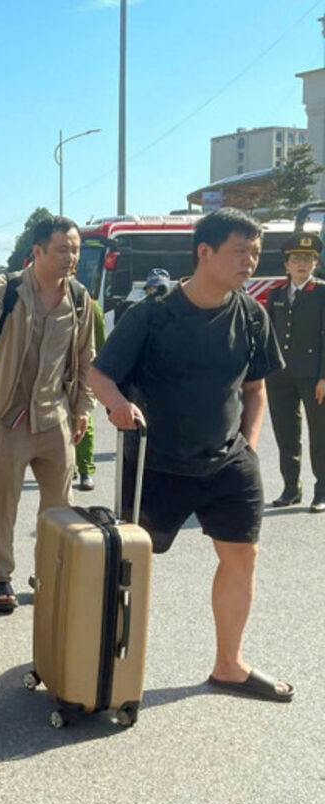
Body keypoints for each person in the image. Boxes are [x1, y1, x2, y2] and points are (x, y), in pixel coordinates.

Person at [88, 207, 294, 703]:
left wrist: (250, 445)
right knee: (131, 564)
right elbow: (100, 374)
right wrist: (117, 405)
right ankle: (102, 665)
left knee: (241, 557)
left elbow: (255, 388)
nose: (250, 262)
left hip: (229, 463)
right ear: (205, 252)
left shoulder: (251, 314)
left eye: (255, 253)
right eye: (240, 252)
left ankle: (229, 666)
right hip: (158, 464)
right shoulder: (153, 314)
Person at [0, 216, 95, 613]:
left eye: (75, 249)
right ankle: (0, 576)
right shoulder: (8, 290)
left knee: (59, 507)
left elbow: (86, 357)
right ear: (38, 251)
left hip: (54, 418)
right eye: (63, 249)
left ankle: (48, 572)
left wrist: (82, 407)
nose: (71, 257)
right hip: (8, 418)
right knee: (3, 505)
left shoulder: (79, 297)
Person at [264, 232, 325, 511]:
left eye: (307, 259)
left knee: (320, 436)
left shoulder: (321, 292)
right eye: (296, 259)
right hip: (280, 375)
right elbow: (269, 335)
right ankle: (291, 488)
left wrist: (324, 376)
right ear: (286, 264)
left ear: (315, 263)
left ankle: (322, 491)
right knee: (286, 434)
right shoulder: (276, 293)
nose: (302, 264)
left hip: (314, 375)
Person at [73, 300, 106, 491]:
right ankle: (68, 464)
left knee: (84, 419)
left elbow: (100, 342)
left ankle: (85, 470)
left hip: (84, 368)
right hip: (54, 372)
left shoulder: (90, 305)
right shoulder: (46, 300)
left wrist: (102, 370)